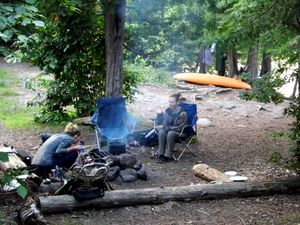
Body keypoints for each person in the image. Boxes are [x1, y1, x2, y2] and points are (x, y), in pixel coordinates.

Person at [156, 93, 188, 163]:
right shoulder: (167, 111)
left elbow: (179, 128)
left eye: (172, 102)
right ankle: (161, 154)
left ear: (177, 102)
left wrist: (166, 127)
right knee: (161, 132)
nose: (170, 104)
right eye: (169, 102)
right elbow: (165, 123)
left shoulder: (183, 113)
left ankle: (167, 156)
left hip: (180, 132)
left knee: (170, 133)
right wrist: (162, 126)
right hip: (169, 130)